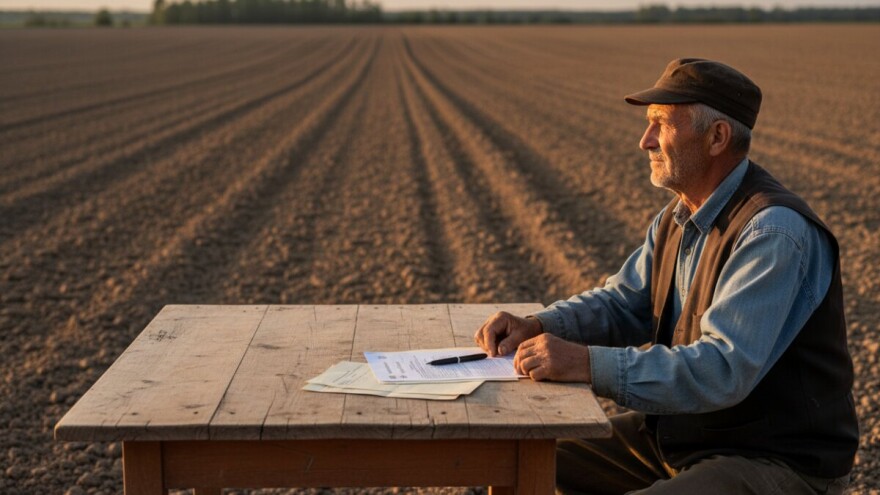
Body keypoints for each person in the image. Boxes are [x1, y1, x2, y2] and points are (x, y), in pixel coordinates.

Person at [473, 58, 858, 494]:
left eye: (661, 124)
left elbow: (721, 369)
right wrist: (540, 325)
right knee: (524, 462)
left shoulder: (773, 233)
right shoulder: (678, 217)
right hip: (682, 435)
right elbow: (624, 302)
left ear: (716, 138)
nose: (644, 141)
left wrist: (585, 363)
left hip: (774, 456)